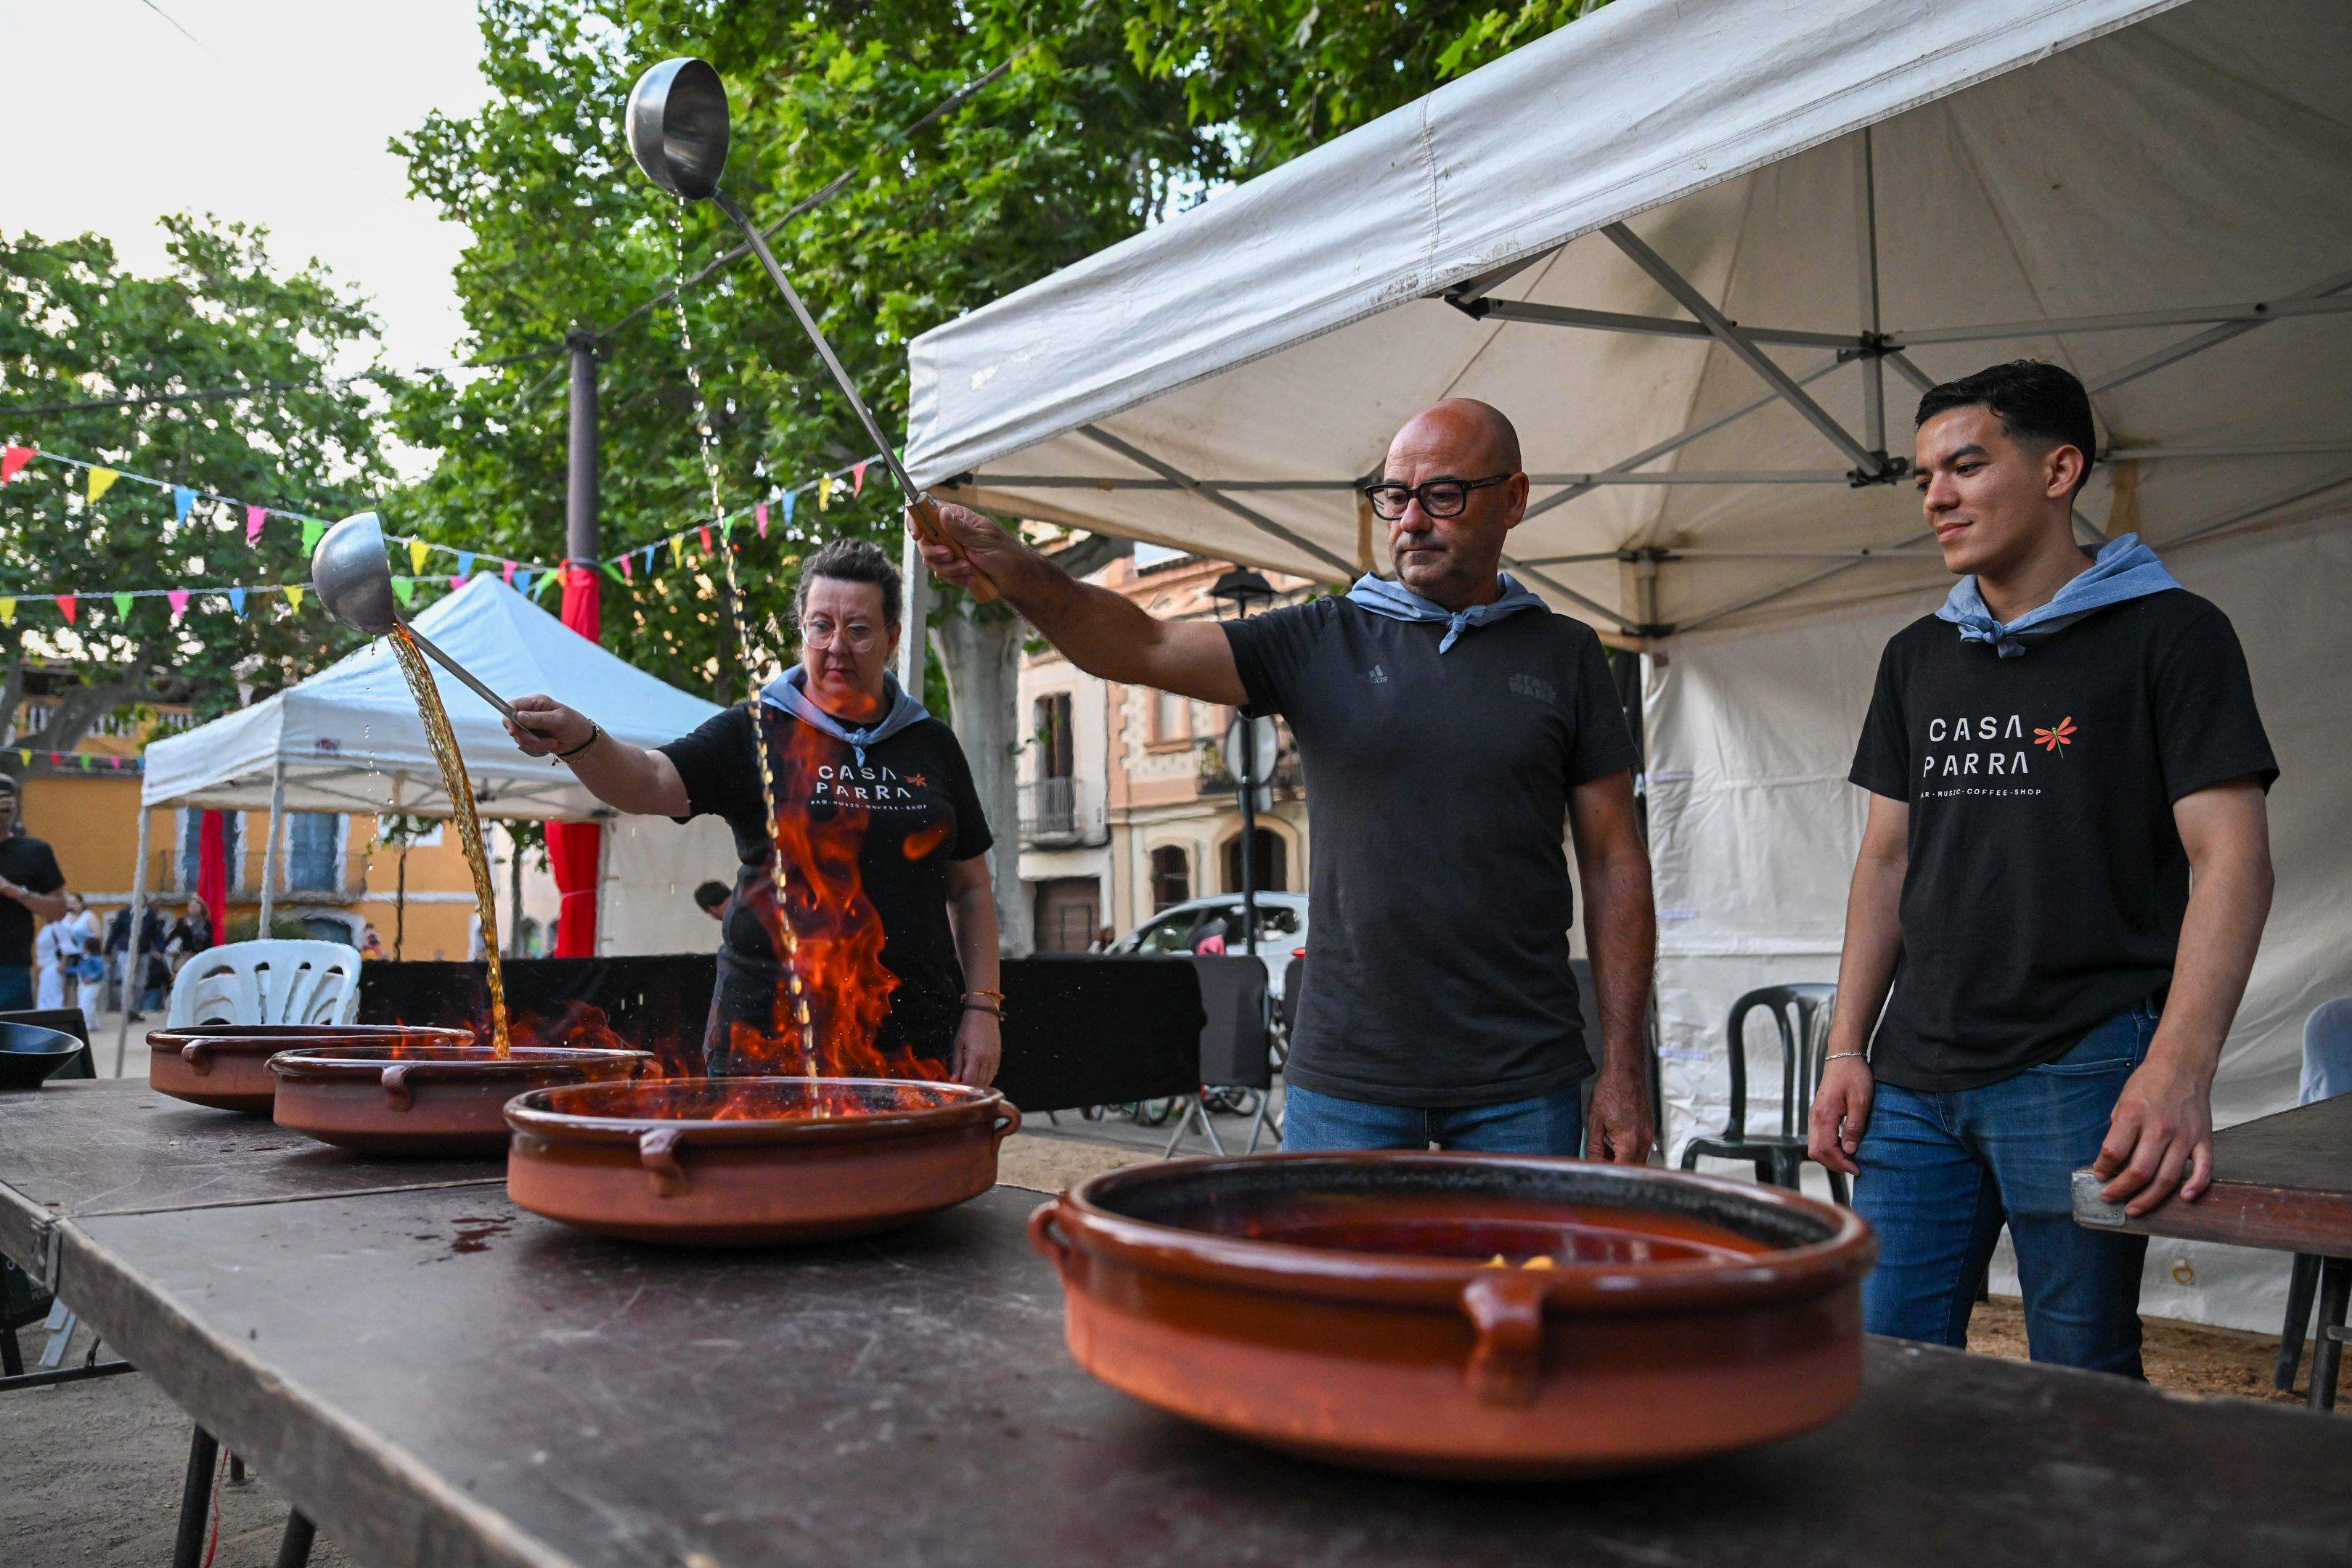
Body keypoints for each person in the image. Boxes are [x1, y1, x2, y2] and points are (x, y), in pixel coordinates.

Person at [918, 399, 1655, 1159]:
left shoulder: (1565, 656)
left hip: (1523, 1085)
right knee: (1323, 1285)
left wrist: (1624, 1068)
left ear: (1514, 499)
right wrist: (1023, 572)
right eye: (1395, 496)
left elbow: (1614, 861)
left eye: (1443, 495)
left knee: (1521, 1282)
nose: (1410, 522)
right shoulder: (1323, 637)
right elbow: (1143, 644)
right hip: (1346, 1084)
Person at [1807, 360, 2277, 1378]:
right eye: (1925, 475)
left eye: (1966, 465)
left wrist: (2180, 1068)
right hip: (1913, 1079)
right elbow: (1885, 860)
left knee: (2083, 1374)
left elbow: (2231, 860)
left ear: (2060, 468)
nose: (1936, 495)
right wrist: (1848, 1048)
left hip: (2083, 1066)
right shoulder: (1917, 655)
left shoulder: (2174, 635)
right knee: (1879, 1371)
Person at [503, 539, 1004, 1087]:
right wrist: (582, 740)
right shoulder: (755, 730)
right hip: (769, 1037)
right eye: (821, 626)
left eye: (858, 629)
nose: (837, 646)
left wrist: (982, 1011)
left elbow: (972, 890)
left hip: (912, 1035)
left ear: (892, 639)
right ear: (802, 632)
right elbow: (647, 781)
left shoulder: (930, 743)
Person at [0, 775, 68, 1010]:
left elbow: (60, 910)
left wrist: (15, 892)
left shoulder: (34, 852)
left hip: (10, 969)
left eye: (6, 803)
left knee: (11, 1043)